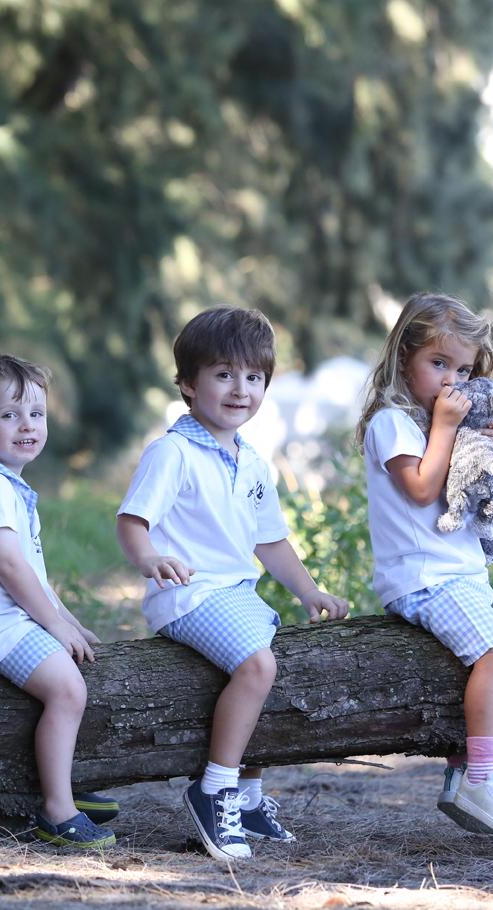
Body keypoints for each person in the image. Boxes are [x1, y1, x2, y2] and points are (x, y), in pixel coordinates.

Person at [115, 307, 349, 862]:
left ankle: (247, 795)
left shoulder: (255, 463)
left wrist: (308, 590)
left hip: (235, 596)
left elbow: (271, 542)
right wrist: (150, 559)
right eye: (223, 374)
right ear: (188, 385)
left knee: (273, 669)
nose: (240, 389)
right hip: (189, 594)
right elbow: (132, 521)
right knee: (258, 665)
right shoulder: (172, 452)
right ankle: (214, 787)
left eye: (254, 377)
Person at [356, 291, 493, 840]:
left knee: (485, 656)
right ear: (402, 359)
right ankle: (486, 773)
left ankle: (462, 768)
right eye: (438, 364)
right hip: (422, 578)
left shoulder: (437, 420)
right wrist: (445, 430)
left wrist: (478, 444)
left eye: (463, 369)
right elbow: (419, 490)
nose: (452, 381)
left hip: (456, 576)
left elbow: (459, 484)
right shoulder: (391, 422)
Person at [0, 354, 118, 849]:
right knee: (67, 690)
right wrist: (54, 629)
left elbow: (35, 576)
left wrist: (69, 620)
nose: (27, 426)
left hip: (10, 617)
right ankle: (57, 811)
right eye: (9, 415)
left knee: (81, 669)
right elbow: (10, 569)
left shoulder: (9, 487)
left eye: (35, 414)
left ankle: (67, 783)